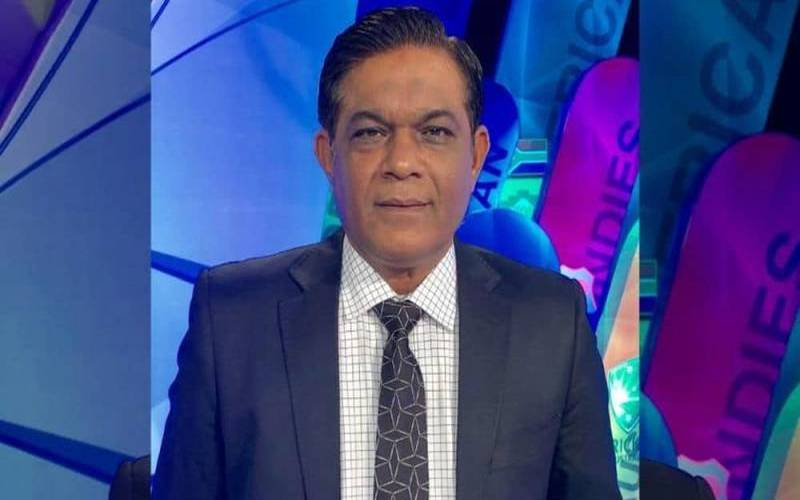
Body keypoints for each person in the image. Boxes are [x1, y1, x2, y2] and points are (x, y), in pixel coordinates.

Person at [153, 7, 619, 499]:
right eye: (371, 133)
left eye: (434, 132)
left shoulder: (552, 323)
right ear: (328, 155)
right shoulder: (232, 319)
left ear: (477, 155)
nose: (401, 162)